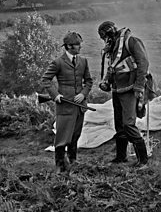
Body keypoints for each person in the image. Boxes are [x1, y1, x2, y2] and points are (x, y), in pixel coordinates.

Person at [98, 21, 149, 169]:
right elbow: (114, 68)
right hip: (117, 89)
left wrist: (139, 87)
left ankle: (143, 160)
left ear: (109, 34)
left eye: (104, 37)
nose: (104, 41)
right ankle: (121, 157)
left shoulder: (131, 42)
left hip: (130, 89)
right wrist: (107, 83)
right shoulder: (112, 47)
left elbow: (143, 63)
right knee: (119, 125)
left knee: (128, 124)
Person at [42, 31, 93, 173]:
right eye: (78, 45)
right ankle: (60, 165)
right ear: (69, 46)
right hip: (64, 106)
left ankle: (73, 162)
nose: (80, 48)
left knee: (75, 135)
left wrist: (83, 94)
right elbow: (46, 79)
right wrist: (55, 95)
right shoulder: (58, 62)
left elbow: (89, 81)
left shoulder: (83, 61)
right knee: (62, 137)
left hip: (80, 106)